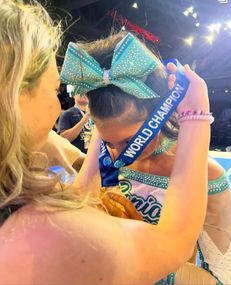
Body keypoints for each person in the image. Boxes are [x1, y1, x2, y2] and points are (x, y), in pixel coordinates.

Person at [0, 1, 211, 284]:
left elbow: (81, 190)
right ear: (14, 96)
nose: (56, 106)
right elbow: (173, 241)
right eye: (53, 90)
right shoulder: (45, 233)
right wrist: (196, 118)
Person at [64, 32, 231, 285]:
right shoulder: (103, 161)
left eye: (130, 142)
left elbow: (222, 275)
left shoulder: (209, 176)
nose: (120, 154)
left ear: (159, 117)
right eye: (109, 141)